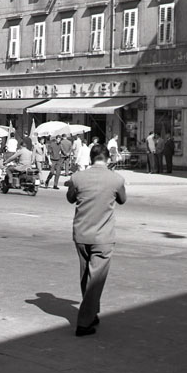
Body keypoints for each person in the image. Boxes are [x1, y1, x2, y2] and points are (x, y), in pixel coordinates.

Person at [66, 144, 127, 337]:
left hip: (81, 234)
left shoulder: (77, 177)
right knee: (96, 279)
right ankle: (84, 323)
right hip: (102, 237)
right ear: (107, 159)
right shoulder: (116, 179)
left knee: (86, 275)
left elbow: (70, 198)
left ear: (91, 158)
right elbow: (122, 199)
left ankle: (91, 313)